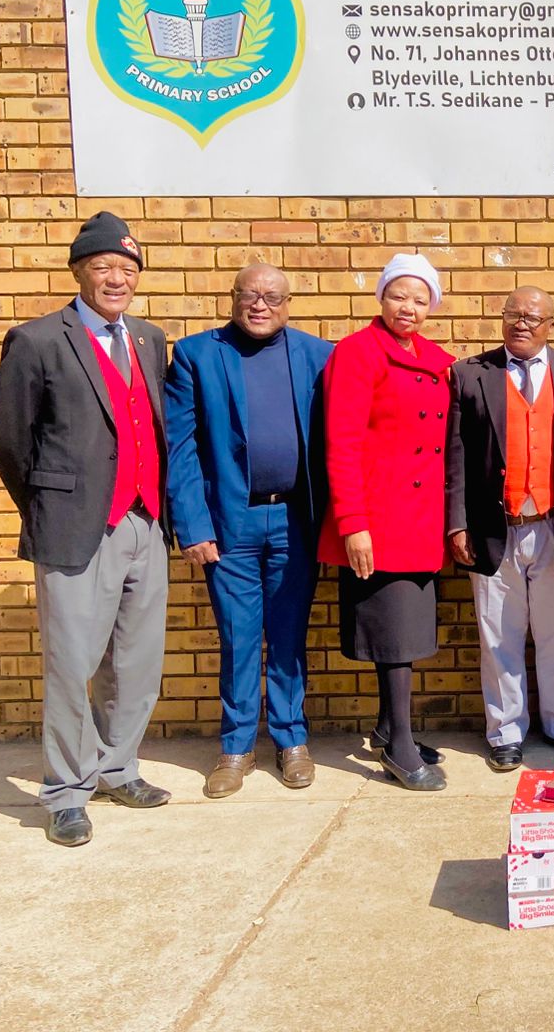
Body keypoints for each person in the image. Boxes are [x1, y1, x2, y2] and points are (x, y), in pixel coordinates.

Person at [0, 212, 172, 846]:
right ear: (78, 272)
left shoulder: (149, 338)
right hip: (73, 526)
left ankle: (118, 767)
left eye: (127, 268)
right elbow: (9, 438)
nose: (117, 278)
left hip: (146, 521)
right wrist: (46, 505)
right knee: (71, 664)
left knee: (137, 660)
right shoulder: (37, 340)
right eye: (103, 267)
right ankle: (67, 792)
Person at [165, 264, 332, 797]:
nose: (260, 305)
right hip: (229, 523)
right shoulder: (196, 355)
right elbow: (180, 448)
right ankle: (236, 748)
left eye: (272, 296)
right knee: (238, 637)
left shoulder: (318, 355)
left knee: (288, 635)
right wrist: (193, 525)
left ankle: (291, 740)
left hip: (296, 521)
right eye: (250, 294)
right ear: (232, 297)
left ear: (288, 303)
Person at [446, 286, 554, 771]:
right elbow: (456, 457)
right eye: (513, 314)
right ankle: (505, 732)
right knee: (499, 637)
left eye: (532, 317)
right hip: (495, 527)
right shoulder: (470, 374)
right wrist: (457, 524)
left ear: (550, 325)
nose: (521, 323)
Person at [318, 253, 455, 791]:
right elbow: (342, 443)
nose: (409, 307)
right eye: (399, 295)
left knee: (409, 631)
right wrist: (353, 523)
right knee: (395, 637)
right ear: (381, 297)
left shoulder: (436, 361)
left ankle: (386, 728)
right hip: (379, 520)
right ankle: (399, 747)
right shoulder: (357, 353)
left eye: (421, 299)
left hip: (420, 521)